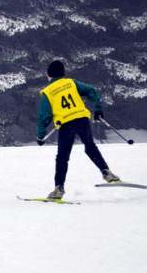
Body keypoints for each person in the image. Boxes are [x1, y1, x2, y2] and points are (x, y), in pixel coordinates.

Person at [37, 60, 121, 199]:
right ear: (63, 75)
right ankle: (107, 172)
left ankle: (59, 189)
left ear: (49, 76)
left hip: (66, 124)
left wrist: (41, 136)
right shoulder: (71, 83)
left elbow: (44, 116)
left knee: (62, 157)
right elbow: (91, 91)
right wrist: (98, 109)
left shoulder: (48, 91)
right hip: (82, 119)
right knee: (90, 146)